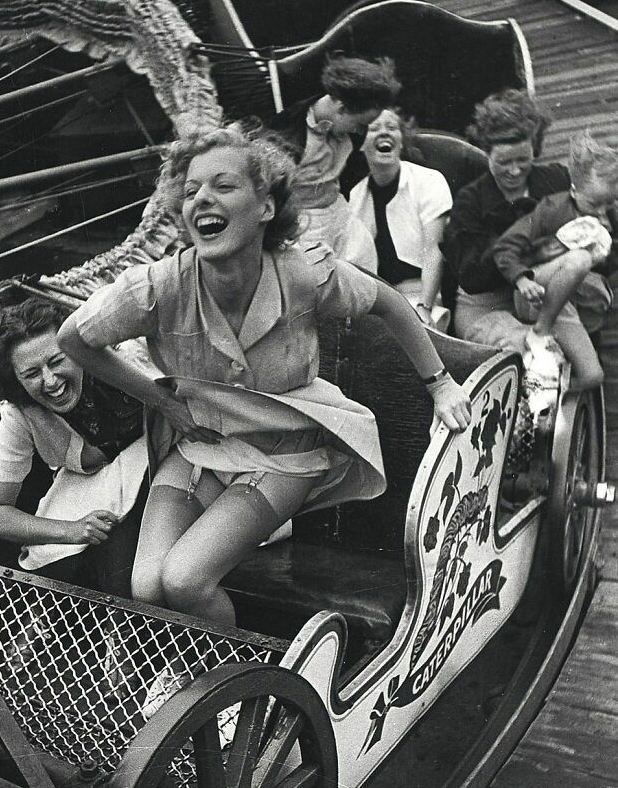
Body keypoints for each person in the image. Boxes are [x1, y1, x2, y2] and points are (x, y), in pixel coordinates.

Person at [57, 126, 471, 634]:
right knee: (147, 588)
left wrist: (440, 383)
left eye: (223, 186)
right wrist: (157, 400)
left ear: (266, 207)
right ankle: (202, 682)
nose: (202, 197)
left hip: (285, 454)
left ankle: (243, 692)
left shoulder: (301, 273)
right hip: (199, 449)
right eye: (190, 191)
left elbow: (389, 303)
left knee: (186, 581)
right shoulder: (158, 286)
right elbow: (73, 339)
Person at [0, 298, 149, 598]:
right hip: (91, 485)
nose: (50, 381)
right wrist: (71, 529)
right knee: (61, 562)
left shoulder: (128, 358)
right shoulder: (20, 410)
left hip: (158, 462)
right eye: (31, 374)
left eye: (56, 361)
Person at [442, 88, 570, 353]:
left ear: (535, 148)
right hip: (486, 306)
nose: (514, 170)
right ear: (486, 152)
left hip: (544, 297)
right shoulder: (470, 201)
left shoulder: (556, 180)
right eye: (503, 161)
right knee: (525, 346)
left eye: (523, 159)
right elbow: (471, 277)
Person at [492, 132, 617, 389]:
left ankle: (546, 391)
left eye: (610, 203)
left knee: (594, 377)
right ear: (573, 190)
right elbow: (505, 246)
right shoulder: (551, 208)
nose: (603, 211)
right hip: (535, 292)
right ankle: (539, 333)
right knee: (579, 259)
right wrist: (521, 279)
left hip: (565, 303)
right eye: (595, 204)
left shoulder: (610, 218)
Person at [269, 54, 401, 267]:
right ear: (341, 109)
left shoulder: (352, 130)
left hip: (340, 214)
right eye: (361, 123)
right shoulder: (286, 134)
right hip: (303, 225)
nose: (362, 131)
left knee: (362, 274)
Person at [348, 108, 453, 330]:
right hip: (377, 302)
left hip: (423, 296)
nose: (383, 133)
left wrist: (425, 308)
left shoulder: (429, 181)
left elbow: (434, 250)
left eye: (392, 128)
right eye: (373, 128)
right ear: (360, 144)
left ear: (402, 142)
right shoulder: (356, 196)